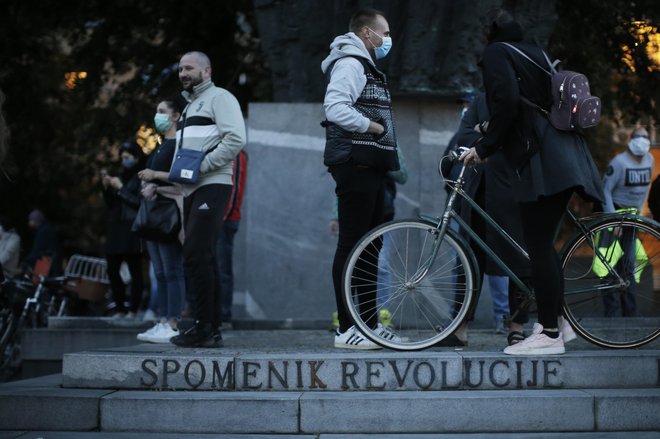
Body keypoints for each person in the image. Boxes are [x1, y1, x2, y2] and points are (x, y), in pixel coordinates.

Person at [460, 9, 603, 355]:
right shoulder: (534, 53)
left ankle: (549, 332)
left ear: (489, 34)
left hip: (544, 160)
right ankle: (561, 324)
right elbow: (525, 106)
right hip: (566, 154)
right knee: (543, 245)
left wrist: (484, 147)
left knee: (536, 244)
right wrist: (489, 132)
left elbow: (508, 101)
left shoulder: (497, 52)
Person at [148, 51, 245, 347]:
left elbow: (236, 140)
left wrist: (201, 167)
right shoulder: (190, 106)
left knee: (195, 253)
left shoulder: (220, 98)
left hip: (212, 185)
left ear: (207, 70)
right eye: (180, 68)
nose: (183, 73)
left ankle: (203, 327)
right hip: (193, 189)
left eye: (189, 67)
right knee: (204, 256)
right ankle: (209, 328)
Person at [321, 8, 401, 349]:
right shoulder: (350, 63)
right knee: (352, 244)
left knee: (370, 247)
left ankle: (368, 324)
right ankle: (346, 329)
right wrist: (372, 126)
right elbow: (335, 107)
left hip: (371, 165)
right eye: (384, 32)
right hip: (355, 162)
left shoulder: (365, 65)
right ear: (367, 33)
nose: (387, 39)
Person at [441, 92, 530, 346]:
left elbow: (521, 139)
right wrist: (493, 136)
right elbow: (465, 134)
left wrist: (487, 136)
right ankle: (461, 327)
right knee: (469, 259)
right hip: (478, 190)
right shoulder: (481, 99)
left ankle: (516, 326)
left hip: (513, 191)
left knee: (518, 260)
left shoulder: (519, 100)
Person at [136, 95, 188, 343]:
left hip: (168, 213)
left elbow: (184, 176)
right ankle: (163, 320)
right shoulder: (160, 144)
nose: (157, 116)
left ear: (176, 116)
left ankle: (173, 321)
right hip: (155, 215)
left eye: (162, 111)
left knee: (172, 270)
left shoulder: (181, 143)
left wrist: (154, 177)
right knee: (160, 272)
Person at [599, 127, 653, 317]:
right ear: (631, 139)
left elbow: (646, 187)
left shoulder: (650, 160)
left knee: (630, 265)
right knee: (607, 265)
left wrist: (640, 211)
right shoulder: (619, 163)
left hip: (632, 218)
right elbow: (604, 191)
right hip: (613, 216)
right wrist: (613, 221)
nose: (643, 140)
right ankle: (611, 312)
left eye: (646, 137)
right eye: (639, 136)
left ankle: (630, 312)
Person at [101, 141, 145, 318]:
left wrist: (121, 189)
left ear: (136, 156)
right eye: (122, 157)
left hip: (132, 228)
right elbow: (112, 205)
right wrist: (106, 188)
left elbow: (138, 203)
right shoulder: (121, 176)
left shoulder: (141, 177)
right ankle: (119, 307)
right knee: (112, 269)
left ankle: (133, 309)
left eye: (128, 157)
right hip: (116, 227)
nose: (124, 160)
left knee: (135, 271)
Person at [216, 149, 248, 325]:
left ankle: (224, 313)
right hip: (223, 218)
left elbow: (234, 189)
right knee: (219, 268)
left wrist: (222, 217)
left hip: (225, 220)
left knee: (222, 269)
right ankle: (218, 312)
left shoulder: (237, 154)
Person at [22, 209, 62, 276]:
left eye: (31, 220)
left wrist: (27, 261)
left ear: (35, 220)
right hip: (53, 263)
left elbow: (38, 249)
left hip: (47, 264)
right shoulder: (47, 228)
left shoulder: (42, 232)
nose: (29, 223)